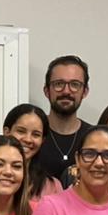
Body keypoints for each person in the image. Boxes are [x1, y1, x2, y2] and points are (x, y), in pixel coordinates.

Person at [35, 55, 91, 185]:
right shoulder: (32, 136)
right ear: (46, 91)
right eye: (59, 84)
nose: (66, 91)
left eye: (75, 85)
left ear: (85, 91)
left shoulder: (93, 138)